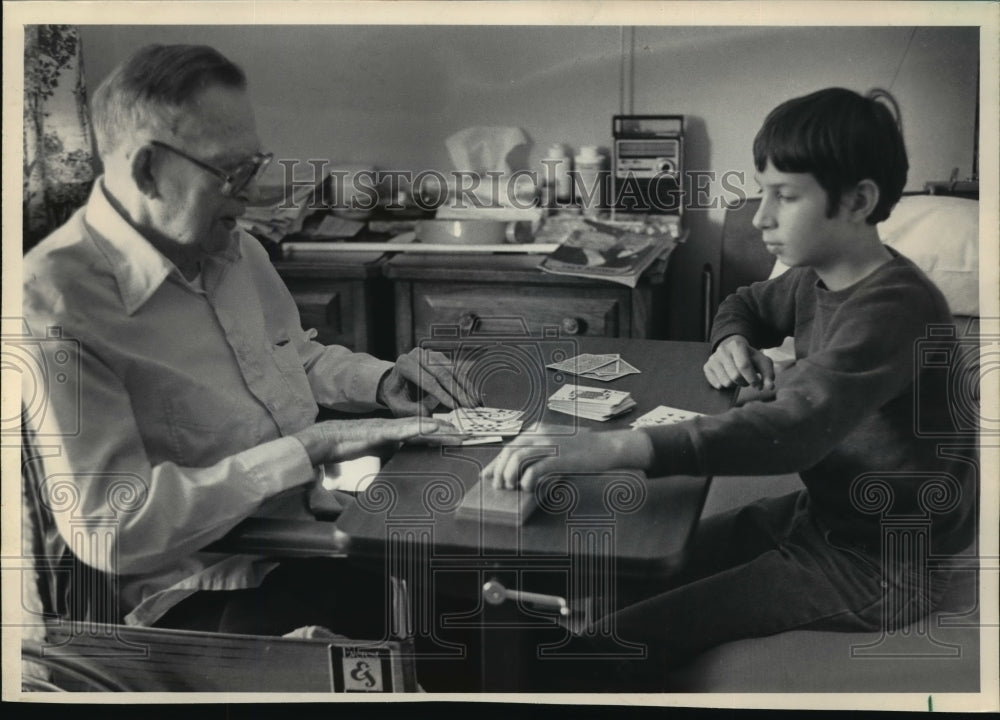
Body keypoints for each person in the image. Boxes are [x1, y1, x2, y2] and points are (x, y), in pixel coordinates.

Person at [483, 87, 977, 690]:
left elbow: (790, 430)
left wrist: (609, 450)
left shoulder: (895, 308)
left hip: (884, 566)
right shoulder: (811, 278)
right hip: (823, 520)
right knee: (620, 576)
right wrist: (729, 342)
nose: (761, 215)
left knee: (611, 643)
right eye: (762, 191)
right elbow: (743, 302)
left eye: (785, 196)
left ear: (858, 200)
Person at [22, 43, 477, 637]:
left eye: (256, 164)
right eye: (232, 173)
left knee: (487, 584)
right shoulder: (54, 301)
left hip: (305, 542)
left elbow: (292, 355)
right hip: (191, 597)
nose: (254, 193)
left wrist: (384, 381)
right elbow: (114, 528)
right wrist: (310, 448)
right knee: (455, 629)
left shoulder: (235, 248)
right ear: (145, 170)